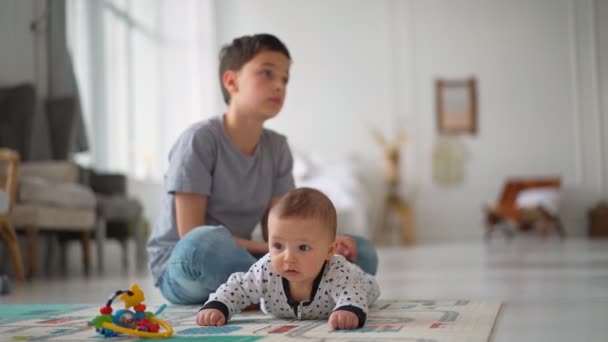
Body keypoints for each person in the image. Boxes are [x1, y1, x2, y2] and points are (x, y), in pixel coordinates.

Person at [146, 33, 378, 305]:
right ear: (231, 81)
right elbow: (190, 233)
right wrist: (292, 251)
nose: (279, 86)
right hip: (185, 264)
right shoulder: (199, 140)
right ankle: (301, 288)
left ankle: (273, 289)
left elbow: (279, 231)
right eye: (267, 73)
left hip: (244, 256)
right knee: (205, 242)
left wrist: (318, 245)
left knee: (360, 251)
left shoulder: (277, 148)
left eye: (284, 79)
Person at [196, 188, 380, 330]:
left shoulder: (337, 271)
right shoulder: (267, 267)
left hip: (359, 282)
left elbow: (352, 293)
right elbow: (239, 287)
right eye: (278, 246)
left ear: (329, 250)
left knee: (358, 279)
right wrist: (218, 305)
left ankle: (353, 262)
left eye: (303, 247)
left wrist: (348, 311)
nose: (288, 258)